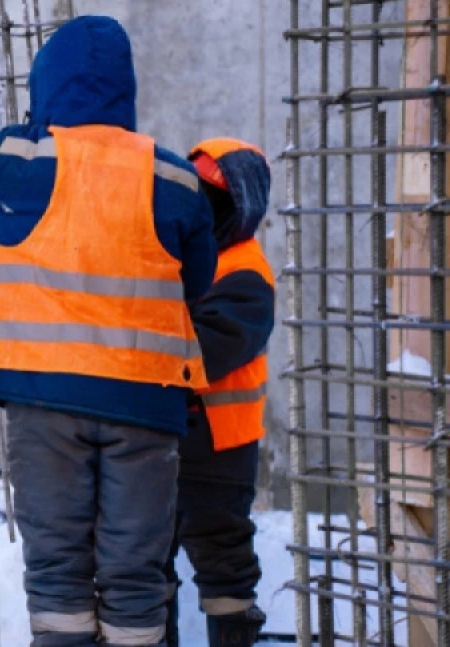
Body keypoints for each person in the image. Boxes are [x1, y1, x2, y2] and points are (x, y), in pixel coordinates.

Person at [0, 15, 217, 646]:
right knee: (136, 576)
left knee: (58, 575)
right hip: (146, 403)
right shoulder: (174, 180)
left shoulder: (14, 164)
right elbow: (195, 279)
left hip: (43, 403)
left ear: (47, 84)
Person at [164, 138, 275, 647]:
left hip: (219, 448)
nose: (200, 209)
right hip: (167, 435)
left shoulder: (245, 271)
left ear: (240, 206)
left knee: (224, 561)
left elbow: (206, 351)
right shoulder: (186, 258)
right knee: (147, 559)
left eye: (212, 197)